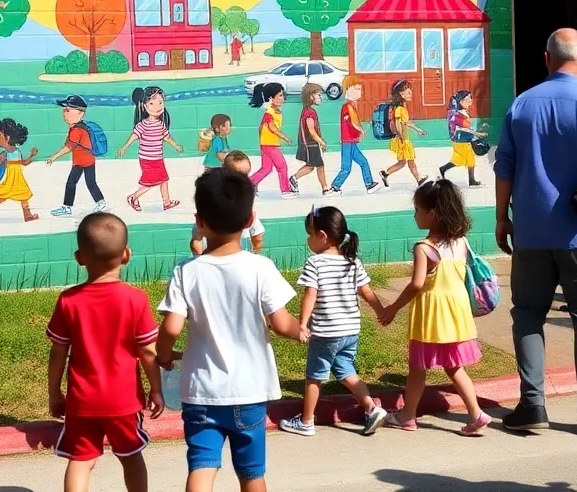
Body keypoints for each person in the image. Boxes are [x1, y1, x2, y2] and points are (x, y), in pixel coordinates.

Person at [494, 28, 577, 435]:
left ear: (545, 58)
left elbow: (504, 167)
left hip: (530, 231)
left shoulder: (521, 105)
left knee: (528, 314)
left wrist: (502, 217)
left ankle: (533, 406)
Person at [156, 168, 301, 492]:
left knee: (202, 467)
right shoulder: (260, 268)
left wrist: (164, 354)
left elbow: (172, 326)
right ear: (251, 219)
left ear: (199, 221)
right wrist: (300, 329)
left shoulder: (187, 272)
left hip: (201, 393)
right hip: (249, 391)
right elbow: (281, 323)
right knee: (251, 473)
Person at [47, 213, 164, 492]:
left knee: (80, 460)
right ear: (126, 255)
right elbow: (147, 351)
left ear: (79, 257)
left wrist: (54, 392)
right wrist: (156, 389)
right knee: (131, 457)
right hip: (123, 402)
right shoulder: (135, 299)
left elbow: (58, 353)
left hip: (82, 401)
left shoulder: (68, 301)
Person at [379, 180, 490, 435]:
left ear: (432, 214)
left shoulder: (424, 248)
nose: (415, 214)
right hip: (456, 311)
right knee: (454, 366)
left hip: (431, 315)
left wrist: (393, 307)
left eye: (417, 209)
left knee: (418, 367)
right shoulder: (461, 242)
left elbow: (417, 285)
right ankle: (476, 414)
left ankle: (408, 415)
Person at [279, 206, 388, 437]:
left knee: (314, 377)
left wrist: (302, 324)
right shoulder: (352, 262)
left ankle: (306, 421)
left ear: (322, 236)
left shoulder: (315, 263)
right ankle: (371, 407)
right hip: (350, 330)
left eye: (310, 234)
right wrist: (381, 311)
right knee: (346, 370)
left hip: (327, 332)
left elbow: (311, 295)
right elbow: (367, 292)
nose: (308, 240)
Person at [117, 86, 183, 212]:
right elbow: (134, 136)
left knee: (164, 180)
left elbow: (167, 138)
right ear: (145, 106)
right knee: (149, 183)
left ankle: (167, 202)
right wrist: (124, 147)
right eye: (152, 103)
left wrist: (176, 146)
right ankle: (133, 197)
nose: (157, 106)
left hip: (158, 158)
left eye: (160, 102)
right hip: (148, 160)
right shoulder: (143, 124)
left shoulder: (160, 124)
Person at [190, 151, 265, 256]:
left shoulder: (208, 213)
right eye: (237, 176)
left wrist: (200, 260)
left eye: (246, 175)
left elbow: (196, 240)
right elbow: (258, 238)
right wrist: (255, 256)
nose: (243, 181)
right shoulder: (246, 213)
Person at [46, 95, 107, 218]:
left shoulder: (77, 130)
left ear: (80, 113)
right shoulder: (79, 127)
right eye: (64, 110)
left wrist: (54, 157)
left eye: (68, 110)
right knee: (90, 183)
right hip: (87, 161)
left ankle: (67, 207)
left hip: (81, 162)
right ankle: (100, 202)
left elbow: (69, 147)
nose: (64, 113)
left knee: (72, 183)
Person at [0, 118, 38, 222]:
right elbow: (23, 163)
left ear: (8, 138)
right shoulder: (16, 152)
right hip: (14, 180)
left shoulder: (5, 155)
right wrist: (31, 157)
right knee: (16, 196)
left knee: (17, 196)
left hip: (15, 181)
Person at [329, 75, 379, 195]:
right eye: (356, 89)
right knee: (346, 168)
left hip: (351, 141)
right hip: (348, 142)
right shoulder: (348, 106)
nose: (359, 92)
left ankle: (369, 184)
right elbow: (353, 121)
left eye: (360, 89)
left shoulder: (351, 105)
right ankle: (335, 186)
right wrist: (361, 130)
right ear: (347, 90)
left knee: (363, 162)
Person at [248, 83, 297, 199]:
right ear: (271, 98)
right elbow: (272, 127)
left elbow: (261, 127)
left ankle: (248, 184)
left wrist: (262, 141)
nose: (282, 98)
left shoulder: (273, 111)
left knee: (266, 168)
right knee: (282, 166)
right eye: (279, 95)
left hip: (267, 144)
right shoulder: (270, 112)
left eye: (282, 95)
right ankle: (285, 190)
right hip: (270, 145)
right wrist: (284, 137)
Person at [379, 79, 427, 188]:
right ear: (401, 93)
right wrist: (401, 138)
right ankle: (419, 179)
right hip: (402, 139)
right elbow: (398, 123)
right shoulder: (399, 108)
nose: (411, 94)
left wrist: (417, 129)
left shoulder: (401, 107)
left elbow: (405, 123)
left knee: (403, 162)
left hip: (402, 138)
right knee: (409, 161)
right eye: (408, 92)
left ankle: (385, 173)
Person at [290, 84, 331, 195]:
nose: (320, 97)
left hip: (310, 144)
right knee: (317, 166)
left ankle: (324, 188)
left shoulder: (307, 111)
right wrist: (321, 142)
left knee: (313, 166)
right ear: (311, 96)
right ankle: (325, 189)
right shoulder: (309, 112)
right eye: (318, 95)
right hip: (311, 144)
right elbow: (312, 131)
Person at [438, 89, 485, 187]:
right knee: (459, 160)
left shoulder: (462, 112)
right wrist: (477, 133)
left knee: (468, 160)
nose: (470, 101)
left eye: (470, 98)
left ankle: (471, 181)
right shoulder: (458, 115)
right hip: (461, 141)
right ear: (461, 101)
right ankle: (443, 169)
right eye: (467, 99)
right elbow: (463, 128)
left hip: (463, 140)